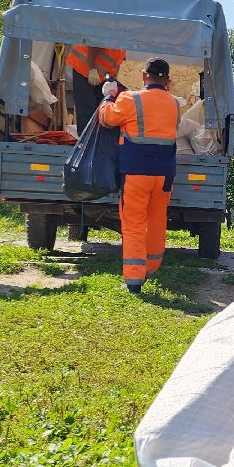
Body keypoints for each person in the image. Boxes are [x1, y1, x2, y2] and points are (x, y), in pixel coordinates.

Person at [98, 58, 178, 295]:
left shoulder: (130, 99)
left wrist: (109, 96)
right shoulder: (175, 104)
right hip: (164, 176)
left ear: (144, 76)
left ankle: (134, 280)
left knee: (133, 224)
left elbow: (106, 119)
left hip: (136, 173)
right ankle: (151, 268)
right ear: (169, 81)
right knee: (156, 221)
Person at [66, 45, 126, 127]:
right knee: (86, 107)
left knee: (98, 108)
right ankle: (86, 138)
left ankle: (93, 137)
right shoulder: (115, 34)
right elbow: (94, 45)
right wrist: (92, 69)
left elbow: (118, 61)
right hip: (84, 67)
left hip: (100, 75)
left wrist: (113, 79)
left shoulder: (125, 40)